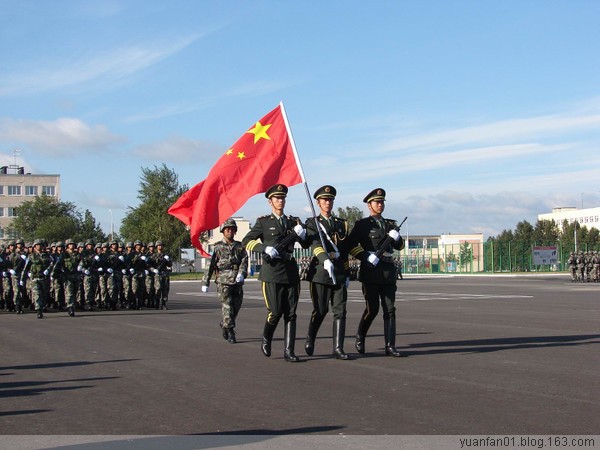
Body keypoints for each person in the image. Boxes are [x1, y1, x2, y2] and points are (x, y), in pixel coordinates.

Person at [242, 184, 307, 362]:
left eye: (283, 198)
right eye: (277, 198)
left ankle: (289, 351)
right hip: (271, 272)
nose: (280, 201)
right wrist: (264, 248)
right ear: (270, 202)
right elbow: (246, 241)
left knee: (291, 313)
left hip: (291, 271)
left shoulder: (294, 221)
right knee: (275, 312)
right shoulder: (264, 222)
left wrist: (303, 235)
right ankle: (266, 338)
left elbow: (307, 243)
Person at [346, 188, 406, 357]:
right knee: (372, 309)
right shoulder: (362, 225)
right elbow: (350, 245)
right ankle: (360, 335)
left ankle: (390, 346)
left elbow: (399, 247)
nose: (380, 205)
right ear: (369, 205)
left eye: (382, 202)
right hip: (370, 271)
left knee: (390, 309)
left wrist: (397, 238)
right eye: (377, 202)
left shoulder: (390, 225)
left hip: (388, 271)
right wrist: (366, 256)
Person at [303, 185, 351, 360]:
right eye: (324, 200)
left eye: (330, 200)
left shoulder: (341, 223)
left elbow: (344, 249)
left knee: (340, 310)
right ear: (318, 202)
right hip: (320, 272)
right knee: (321, 310)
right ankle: (310, 337)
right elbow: (314, 244)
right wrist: (325, 259)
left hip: (338, 271)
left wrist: (346, 273)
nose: (327, 203)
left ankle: (338, 348)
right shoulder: (312, 223)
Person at [202, 219, 248, 343]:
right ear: (223, 231)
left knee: (236, 307)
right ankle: (231, 331)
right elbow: (210, 265)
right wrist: (205, 282)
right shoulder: (217, 247)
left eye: (232, 229)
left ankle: (225, 323)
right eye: (227, 229)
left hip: (237, 281)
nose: (230, 231)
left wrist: (242, 273)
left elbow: (244, 261)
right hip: (223, 281)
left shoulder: (240, 247)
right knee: (227, 307)